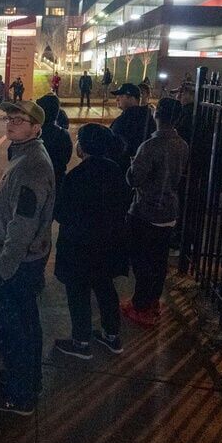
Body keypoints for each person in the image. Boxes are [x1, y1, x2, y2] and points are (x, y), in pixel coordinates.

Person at [0, 100, 55, 415]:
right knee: (24, 324)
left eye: (19, 119)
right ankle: (25, 378)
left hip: (17, 263)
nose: (10, 123)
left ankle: (20, 394)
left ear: (35, 128)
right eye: (9, 118)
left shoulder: (32, 167)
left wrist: (5, 265)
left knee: (13, 328)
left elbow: (23, 224)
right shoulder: (24, 155)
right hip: (20, 260)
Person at [53, 124, 131, 358]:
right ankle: (112, 336)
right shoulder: (115, 170)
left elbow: (61, 213)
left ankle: (81, 342)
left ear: (84, 146)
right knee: (106, 287)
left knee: (78, 292)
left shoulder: (77, 176)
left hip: (80, 246)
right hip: (109, 244)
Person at [122, 98, 189, 327]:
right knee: (159, 261)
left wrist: (132, 164)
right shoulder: (182, 145)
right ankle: (152, 302)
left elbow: (134, 178)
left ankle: (141, 305)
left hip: (145, 211)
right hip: (169, 211)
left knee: (141, 261)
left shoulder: (149, 147)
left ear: (157, 115)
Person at [35, 93, 73, 189]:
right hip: (57, 181)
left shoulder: (32, 132)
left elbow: (12, 153)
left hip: (35, 181)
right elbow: (66, 157)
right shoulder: (62, 134)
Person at [109, 83, 153, 163]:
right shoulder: (149, 116)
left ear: (132, 98)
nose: (117, 99)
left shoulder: (125, 120)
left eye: (121, 96)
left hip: (125, 165)